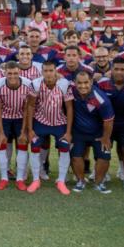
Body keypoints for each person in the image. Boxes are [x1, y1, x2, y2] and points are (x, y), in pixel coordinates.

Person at [27, 61, 73, 195]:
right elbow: (30, 106)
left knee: (64, 148)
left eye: (51, 70)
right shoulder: (35, 84)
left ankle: (61, 180)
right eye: (46, 71)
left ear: (56, 71)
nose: (48, 73)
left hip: (59, 122)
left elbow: (69, 108)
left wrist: (69, 131)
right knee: (35, 147)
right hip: (41, 122)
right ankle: (36, 179)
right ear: (42, 72)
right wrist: (30, 130)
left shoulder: (64, 84)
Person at [70, 71, 114, 194]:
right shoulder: (71, 92)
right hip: (78, 132)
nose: (82, 86)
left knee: (104, 157)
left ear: (92, 82)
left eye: (86, 83)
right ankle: (80, 181)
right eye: (79, 83)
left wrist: (106, 138)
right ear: (75, 83)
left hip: (98, 133)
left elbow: (109, 121)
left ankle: (99, 183)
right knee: (75, 156)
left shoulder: (100, 99)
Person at [0, 62, 34, 191]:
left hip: (21, 118)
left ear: (19, 72)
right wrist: (0, 131)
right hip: (4, 118)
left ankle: (20, 179)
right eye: (9, 73)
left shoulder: (28, 84)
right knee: (1, 145)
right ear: (5, 73)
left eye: (15, 73)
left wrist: (23, 131)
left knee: (22, 145)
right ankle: (4, 178)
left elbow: (27, 108)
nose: (12, 76)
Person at [96, 57, 124, 191]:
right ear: (111, 69)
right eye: (116, 69)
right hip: (107, 123)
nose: (119, 72)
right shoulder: (102, 83)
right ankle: (103, 174)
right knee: (105, 148)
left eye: (122, 69)